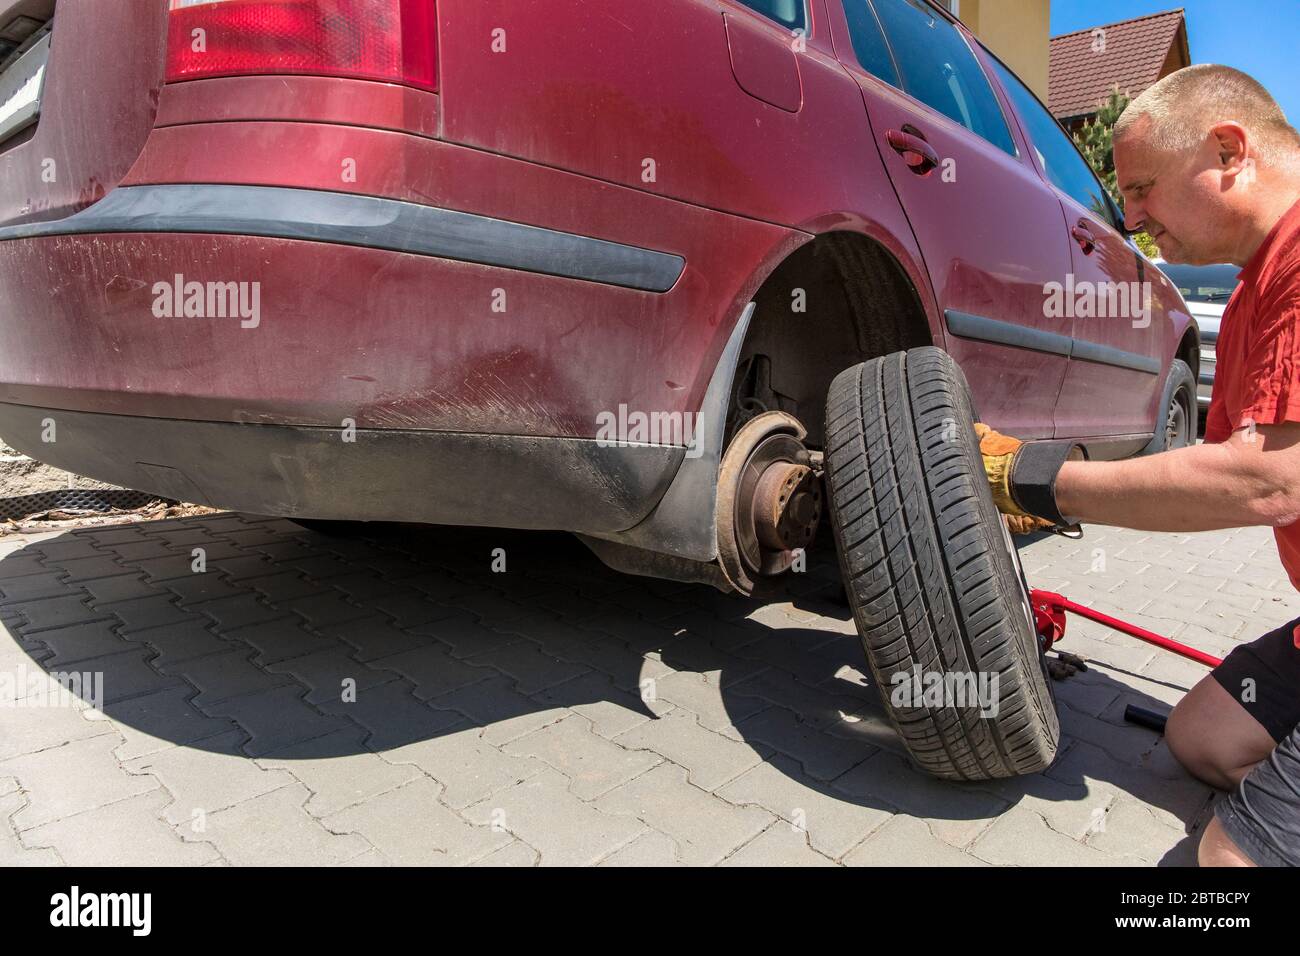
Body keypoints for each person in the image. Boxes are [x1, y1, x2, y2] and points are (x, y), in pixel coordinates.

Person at [976, 65, 1300, 867]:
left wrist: (1035, 477)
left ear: (1228, 150)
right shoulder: (1261, 281)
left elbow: (1267, 482)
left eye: (1146, 187)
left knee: (1224, 866)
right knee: (1202, 739)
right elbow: (1215, 469)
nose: (1131, 215)